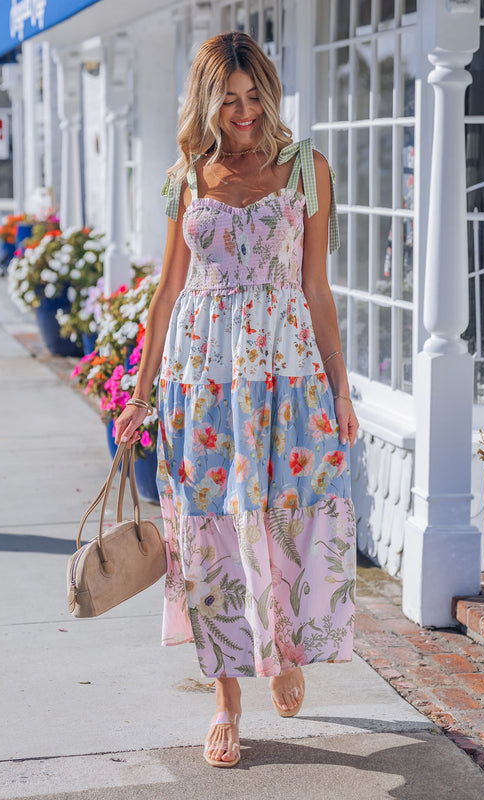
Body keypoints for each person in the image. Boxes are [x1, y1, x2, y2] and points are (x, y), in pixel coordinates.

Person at [114, 30, 359, 768]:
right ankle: (225, 700)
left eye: (255, 97)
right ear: (206, 101)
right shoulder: (183, 176)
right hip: (202, 382)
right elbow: (166, 291)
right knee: (211, 531)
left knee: (290, 517)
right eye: (229, 99)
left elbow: (316, 288)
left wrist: (340, 388)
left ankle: (284, 647)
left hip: (286, 378)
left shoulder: (307, 169)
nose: (245, 112)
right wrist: (141, 390)